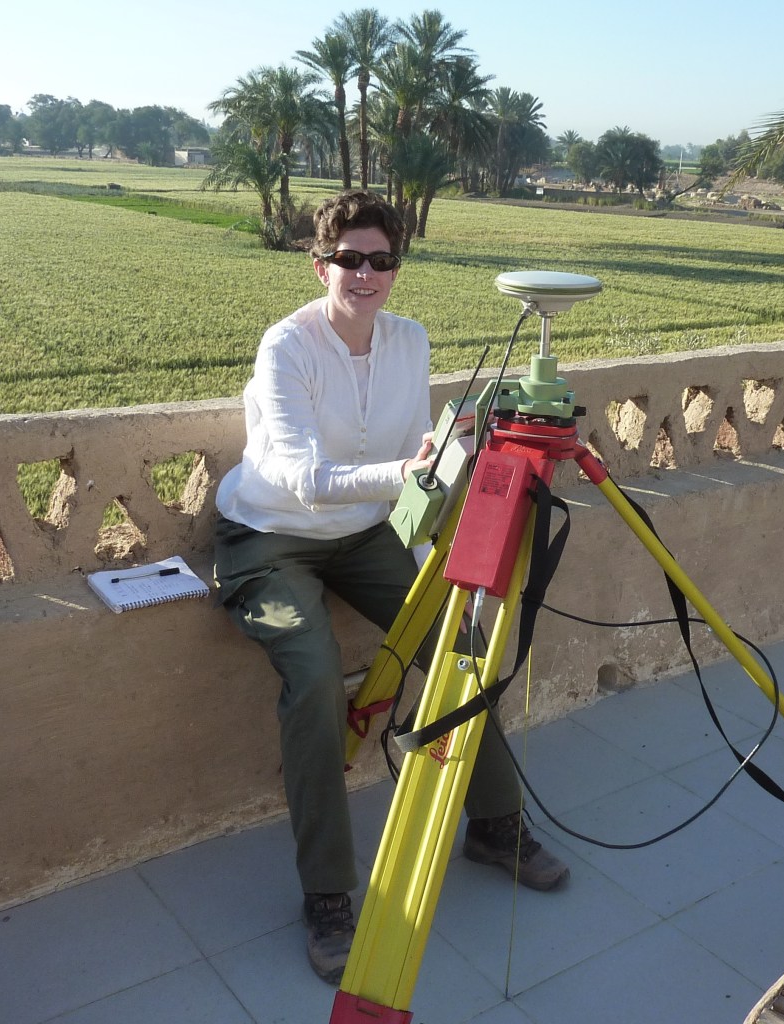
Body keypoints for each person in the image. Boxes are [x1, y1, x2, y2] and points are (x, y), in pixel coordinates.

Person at [212, 190, 568, 986]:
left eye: (381, 260)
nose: (365, 273)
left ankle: (495, 823)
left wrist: (453, 444)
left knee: (457, 639)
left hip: (364, 536)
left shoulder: (409, 340)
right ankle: (330, 894)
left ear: (396, 268)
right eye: (349, 259)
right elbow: (301, 476)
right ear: (321, 264)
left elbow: (412, 442)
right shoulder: (288, 346)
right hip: (267, 543)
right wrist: (405, 469)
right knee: (310, 679)